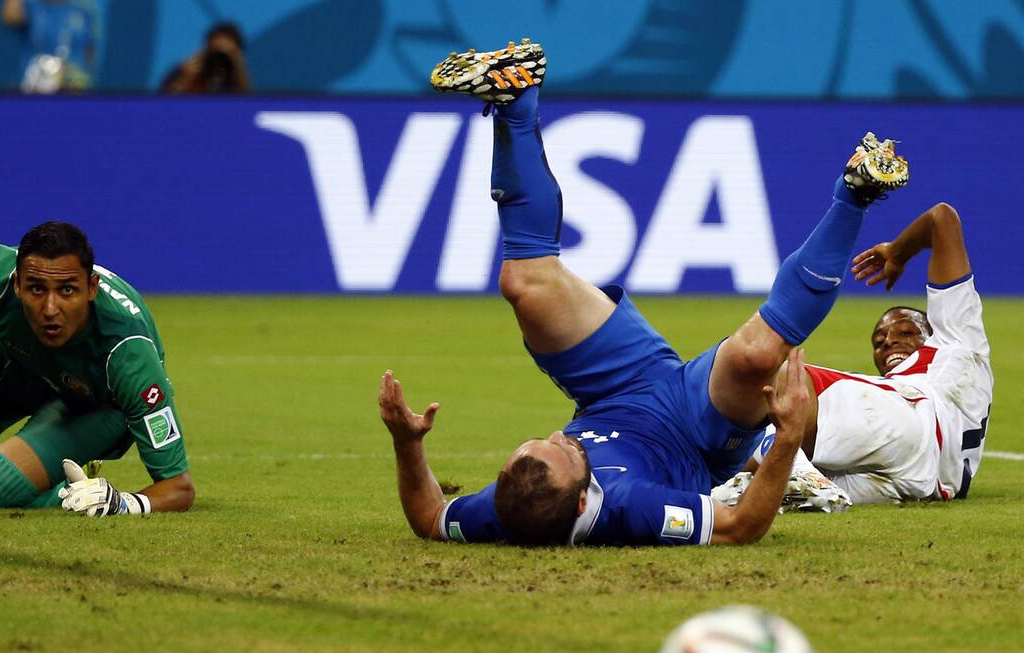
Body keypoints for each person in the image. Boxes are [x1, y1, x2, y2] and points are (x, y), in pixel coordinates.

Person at [377, 40, 909, 546]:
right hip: (696, 428)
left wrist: (407, 442)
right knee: (756, 356)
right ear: (584, 501)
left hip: (611, 391)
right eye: (566, 451)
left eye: (546, 440)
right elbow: (739, 528)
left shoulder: (507, 507)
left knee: (524, 284)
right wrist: (788, 435)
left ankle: (516, 100)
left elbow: (430, 517)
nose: (563, 437)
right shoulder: (630, 508)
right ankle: (854, 193)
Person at [0, 222, 194, 515]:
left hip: (96, 402)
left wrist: (122, 504)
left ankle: (80, 492)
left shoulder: (128, 353)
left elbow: (178, 487)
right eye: (36, 289)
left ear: (92, 288)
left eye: (67, 290)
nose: (50, 309)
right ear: (16, 284)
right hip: (17, 359)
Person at [725, 202, 992, 506]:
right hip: (921, 483)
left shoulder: (957, 337)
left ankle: (792, 470)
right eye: (879, 341)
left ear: (931, 332)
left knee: (783, 377)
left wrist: (897, 252)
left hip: (914, 425)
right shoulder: (905, 383)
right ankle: (777, 479)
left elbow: (941, 218)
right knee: (744, 488)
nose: (889, 341)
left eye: (906, 332)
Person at [1, 0, 100, 93]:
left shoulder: (82, 12)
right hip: (33, 91)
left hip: (72, 92)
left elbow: (90, 52)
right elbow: (10, 16)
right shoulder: (31, 7)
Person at [160, 22, 252, 94]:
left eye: (226, 53)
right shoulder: (185, 72)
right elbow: (162, 107)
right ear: (205, 48)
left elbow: (250, 107)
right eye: (215, 50)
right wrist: (185, 79)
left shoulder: (238, 80)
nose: (219, 59)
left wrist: (239, 72)